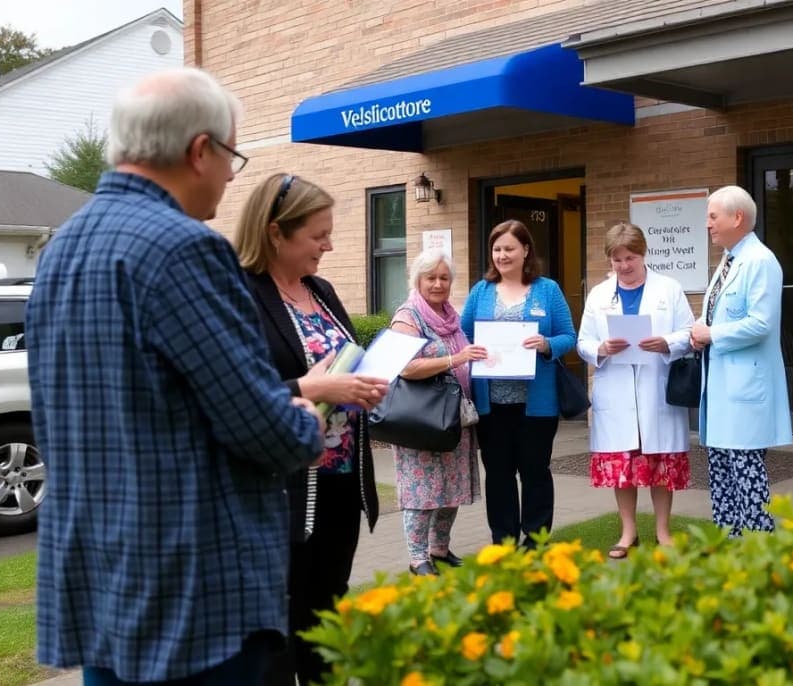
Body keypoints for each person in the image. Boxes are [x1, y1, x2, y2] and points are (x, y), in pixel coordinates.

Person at [26, 68, 326, 686]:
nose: (229, 177)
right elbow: (264, 431)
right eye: (231, 157)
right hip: (197, 604)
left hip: (106, 586)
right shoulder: (184, 248)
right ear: (199, 151)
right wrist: (305, 416)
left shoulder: (62, 248)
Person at [233, 173, 388, 686]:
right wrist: (316, 388)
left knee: (327, 611)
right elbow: (237, 394)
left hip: (342, 477)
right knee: (282, 618)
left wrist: (363, 384)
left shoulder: (320, 290)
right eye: (317, 235)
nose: (328, 245)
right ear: (276, 232)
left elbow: (345, 361)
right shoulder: (241, 295)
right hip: (285, 488)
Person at [577, 223, 696, 556]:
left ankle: (663, 531)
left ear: (643, 254)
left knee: (659, 464)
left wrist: (666, 343)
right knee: (623, 466)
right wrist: (601, 348)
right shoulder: (599, 295)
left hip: (656, 389)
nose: (624, 266)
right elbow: (583, 341)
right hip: (615, 391)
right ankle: (628, 533)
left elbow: (689, 333)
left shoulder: (668, 289)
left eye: (630, 258)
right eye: (616, 260)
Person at [461, 219, 577, 547]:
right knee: (498, 476)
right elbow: (462, 334)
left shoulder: (547, 290)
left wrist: (546, 345)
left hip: (536, 404)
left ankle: (536, 540)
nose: (502, 255)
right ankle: (504, 539)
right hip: (491, 404)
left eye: (509, 248)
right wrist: (471, 350)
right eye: (497, 249)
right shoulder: (481, 292)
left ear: (526, 250)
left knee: (535, 472)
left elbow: (569, 336)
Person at [690, 185, 792, 534]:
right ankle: (728, 542)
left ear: (737, 217)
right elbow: (715, 318)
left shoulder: (760, 261)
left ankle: (758, 544)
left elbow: (761, 324)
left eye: (713, 217)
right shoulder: (729, 259)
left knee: (746, 471)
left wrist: (711, 335)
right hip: (721, 386)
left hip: (744, 388)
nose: (708, 224)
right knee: (720, 471)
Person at [388, 249, 487, 575]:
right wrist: (456, 360)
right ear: (418, 280)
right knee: (422, 493)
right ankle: (418, 559)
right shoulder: (408, 317)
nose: (438, 284)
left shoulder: (450, 316)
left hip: (453, 418)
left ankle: (439, 549)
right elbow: (406, 368)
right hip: (419, 422)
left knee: (451, 489)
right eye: (431, 277)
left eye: (444, 278)